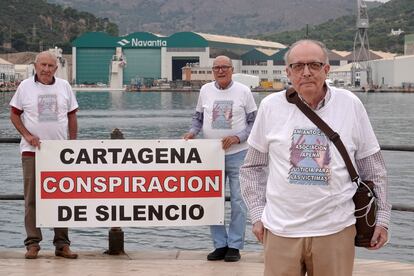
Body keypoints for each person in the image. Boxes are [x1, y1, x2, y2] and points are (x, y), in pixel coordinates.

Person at [240, 40, 391, 275]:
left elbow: (373, 167)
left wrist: (382, 217)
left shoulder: (350, 104)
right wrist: (258, 214)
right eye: (298, 66)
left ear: (326, 70)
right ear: (288, 72)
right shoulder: (270, 107)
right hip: (281, 231)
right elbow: (252, 167)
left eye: (314, 65)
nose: (306, 72)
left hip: (335, 230)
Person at [183, 55, 257, 262]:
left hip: (239, 154)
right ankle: (220, 244)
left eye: (225, 67)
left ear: (232, 69)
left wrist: (237, 137)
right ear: (212, 70)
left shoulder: (244, 91)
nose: (221, 70)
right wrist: (192, 132)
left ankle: (234, 246)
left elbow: (254, 123)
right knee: (212, 202)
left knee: (238, 202)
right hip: (212, 155)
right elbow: (197, 118)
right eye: (217, 67)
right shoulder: (205, 90)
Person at [9, 51, 79, 259]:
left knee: (61, 198)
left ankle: (62, 244)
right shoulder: (24, 87)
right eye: (43, 65)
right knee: (31, 199)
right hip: (32, 152)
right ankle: (33, 243)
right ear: (35, 66)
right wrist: (28, 135)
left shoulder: (64, 86)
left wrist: (72, 144)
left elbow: (72, 116)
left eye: (51, 66)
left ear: (56, 68)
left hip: (59, 154)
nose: (47, 69)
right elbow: (14, 115)